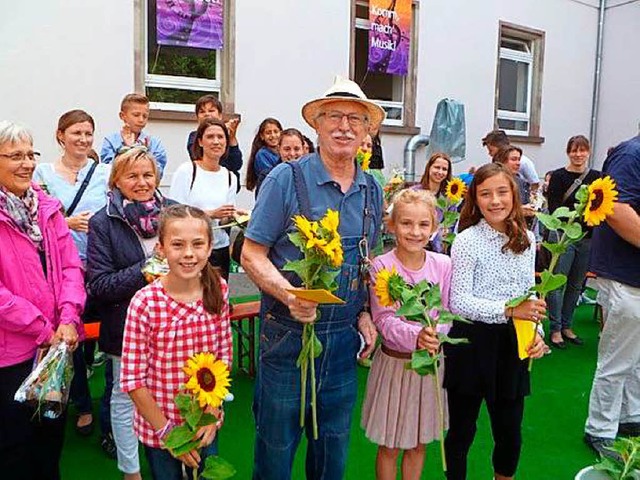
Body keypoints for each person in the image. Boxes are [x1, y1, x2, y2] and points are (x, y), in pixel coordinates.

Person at [241, 75, 385, 479]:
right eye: (334, 116)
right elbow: (251, 254)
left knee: (332, 458)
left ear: (366, 131)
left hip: (341, 344)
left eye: (355, 119)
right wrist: (289, 294)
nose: (344, 126)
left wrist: (363, 315)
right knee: (275, 454)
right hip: (287, 336)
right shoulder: (286, 179)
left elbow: (363, 260)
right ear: (316, 126)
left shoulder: (373, 190)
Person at [443, 163, 547, 480]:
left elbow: (528, 295)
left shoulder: (527, 240)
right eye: (485, 194)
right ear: (475, 199)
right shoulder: (467, 240)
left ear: (514, 195)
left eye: (502, 192)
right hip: (470, 344)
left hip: (512, 343)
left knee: (509, 431)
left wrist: (537, 332)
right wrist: (509, 310)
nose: (495, 201)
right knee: (462, 429)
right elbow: (458, 301)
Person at [121, 205, 232, 480]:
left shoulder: (218, 289)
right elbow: (133, 380)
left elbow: (223, 355)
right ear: (161, 248)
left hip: (204, 423)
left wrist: (213, 408)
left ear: (209, 248)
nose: (189, 254)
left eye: (198, 244)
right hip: (160, 429)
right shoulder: (145, 302)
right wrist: (171, 435)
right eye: (178, 244)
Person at [0, 121, 85, 480]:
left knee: (49, 440)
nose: (26, 163)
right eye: (15, 156)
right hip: (11, 355)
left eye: (30, 154)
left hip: (55, 348)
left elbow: (71, 267)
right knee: (12, 447)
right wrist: (42, 328)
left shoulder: (47, 208)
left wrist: (68, 318)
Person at [87, 147, 173, 480]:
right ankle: (131, 470)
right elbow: (100, 285)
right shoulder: (102, 222)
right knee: (125, 400)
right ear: (116, 181)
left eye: (147, 175)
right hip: (126, 328)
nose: (141, 182)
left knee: (169, 393)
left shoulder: (173, 214)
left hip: (172, 325)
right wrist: (146, 269)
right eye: (132, 176)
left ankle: (169, 456)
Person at [361, 188, 451, 480]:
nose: (415, 231)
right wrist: (417, 336)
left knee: (418, 442)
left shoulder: (443, 265)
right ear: (392, 226)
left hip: (430, 365)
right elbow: (384, 319)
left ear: (434, 227)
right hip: (395, 365)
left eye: (423, 224)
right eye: (406, 223)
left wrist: (436, 333)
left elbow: (447, 312)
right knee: (390, 444)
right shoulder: (382, 266)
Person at [33, 109, 111, 438]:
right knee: (70, 337)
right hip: (60, 270)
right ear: (60, 135)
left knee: (109, 338)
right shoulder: (42, 174)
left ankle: (111, 411)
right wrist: (67, 224)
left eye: (88, 133)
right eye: (76, 132)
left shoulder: (105, 172)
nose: (82, 139)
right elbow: (32, 219)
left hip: (101, 266)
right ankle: (81, 403)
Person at [584, 133, 640, 458]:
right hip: (625, 275)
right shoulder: (632, 154)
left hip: (633, 275)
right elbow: (616, 209)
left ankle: (630, 417)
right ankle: (600, 428)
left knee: (635, 358)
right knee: (617, 357)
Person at [546, 135, 601, 349]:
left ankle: (568, 325)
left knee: (576, 285)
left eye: (582, 150)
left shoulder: (597, 177)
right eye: (574, 150)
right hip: (563, 236)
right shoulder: (559, 176)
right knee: (557, 283)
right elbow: (554, 209)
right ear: (568, 152)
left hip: (587, 238)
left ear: (588, 152)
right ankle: (556, 328)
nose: (578, 155)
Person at [170, 118, 239, 279]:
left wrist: (235, 216)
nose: (216, 142)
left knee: (216, 299)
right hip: (190, 249)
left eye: (221, 137)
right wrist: (210, 214)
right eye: (210, 137)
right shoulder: (187, 171)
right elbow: (173, 213)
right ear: (200, 142)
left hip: (219, 247)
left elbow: (224, 222)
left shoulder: (229, 176)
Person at [100, 93, 168, 176]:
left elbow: (158, 173)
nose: (141, 120)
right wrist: (127, 149)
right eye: (136, 115)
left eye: (145, 116)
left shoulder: (154, 143)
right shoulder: (111, 141)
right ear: (122, 116)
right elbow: (109, 172)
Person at [185, 94, 243, 183]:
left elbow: (236, 164)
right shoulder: (194, 137)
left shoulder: (226, 136)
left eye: (211, 110)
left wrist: (231, 138)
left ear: (220, 115)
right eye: (202, 112)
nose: (207, 114)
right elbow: (198, 158)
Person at [414, 152, 454, 253]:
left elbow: (451, 222)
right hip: (416, 243)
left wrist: (446, 231)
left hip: (438, 249)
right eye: (437, 167)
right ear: (429, 168)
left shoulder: (449, 198)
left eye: (444, 169)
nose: (440, 172)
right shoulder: (414, 192)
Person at [253, 128, 306, 196]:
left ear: (303, 149)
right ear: (279, 149)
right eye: (287, 149)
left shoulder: (311, 175)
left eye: (297, 149)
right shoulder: (267, 176)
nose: (292, 154)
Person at [492, 146, 537, 219]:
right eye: (514, 159)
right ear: (501, 161)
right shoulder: (491, 182)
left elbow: (525, 203)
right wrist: (518, 211)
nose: (518, 163)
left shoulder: (521, 182)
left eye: (519, 159)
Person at [245, 118, 283, 192]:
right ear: (262, 136)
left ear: (281, 133)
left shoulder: (283, 152)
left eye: (276, 131)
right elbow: (272, 178)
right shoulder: (262, 155)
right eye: (268, 133)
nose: (273, 135)